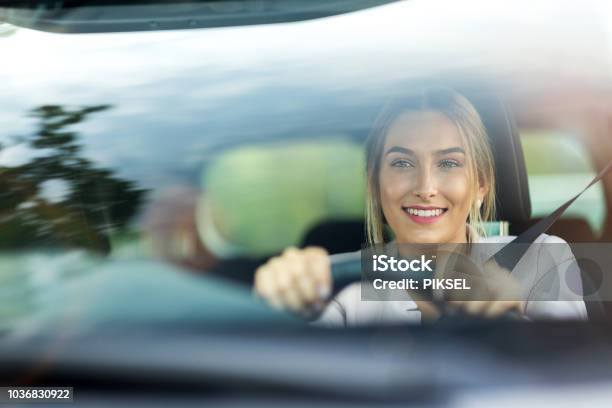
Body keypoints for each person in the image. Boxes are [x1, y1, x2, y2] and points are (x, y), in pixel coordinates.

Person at [253, 87, 588, 327]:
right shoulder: (345, 290)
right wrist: (282, 306)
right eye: (401, 163)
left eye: (449, 163)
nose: (425, 188)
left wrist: (514, 321)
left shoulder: (543, 258)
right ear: (374, 183)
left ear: (481, 185)